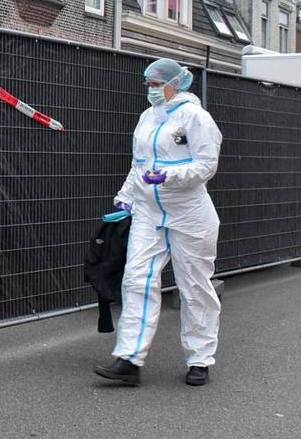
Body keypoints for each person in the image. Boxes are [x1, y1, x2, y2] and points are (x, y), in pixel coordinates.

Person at [93, 58, 223, 387]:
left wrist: (169, 175)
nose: (150, 90)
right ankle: (129, 359)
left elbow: (206, 165)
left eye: (155, 84)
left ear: (174, 84)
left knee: (194, 286)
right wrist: (126, 196)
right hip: (150, 212)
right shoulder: (147, 118)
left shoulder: (195, 117)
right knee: (136, 280)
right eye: (147, 84)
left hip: (189, 212)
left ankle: (200, 358)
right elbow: (139, 165)